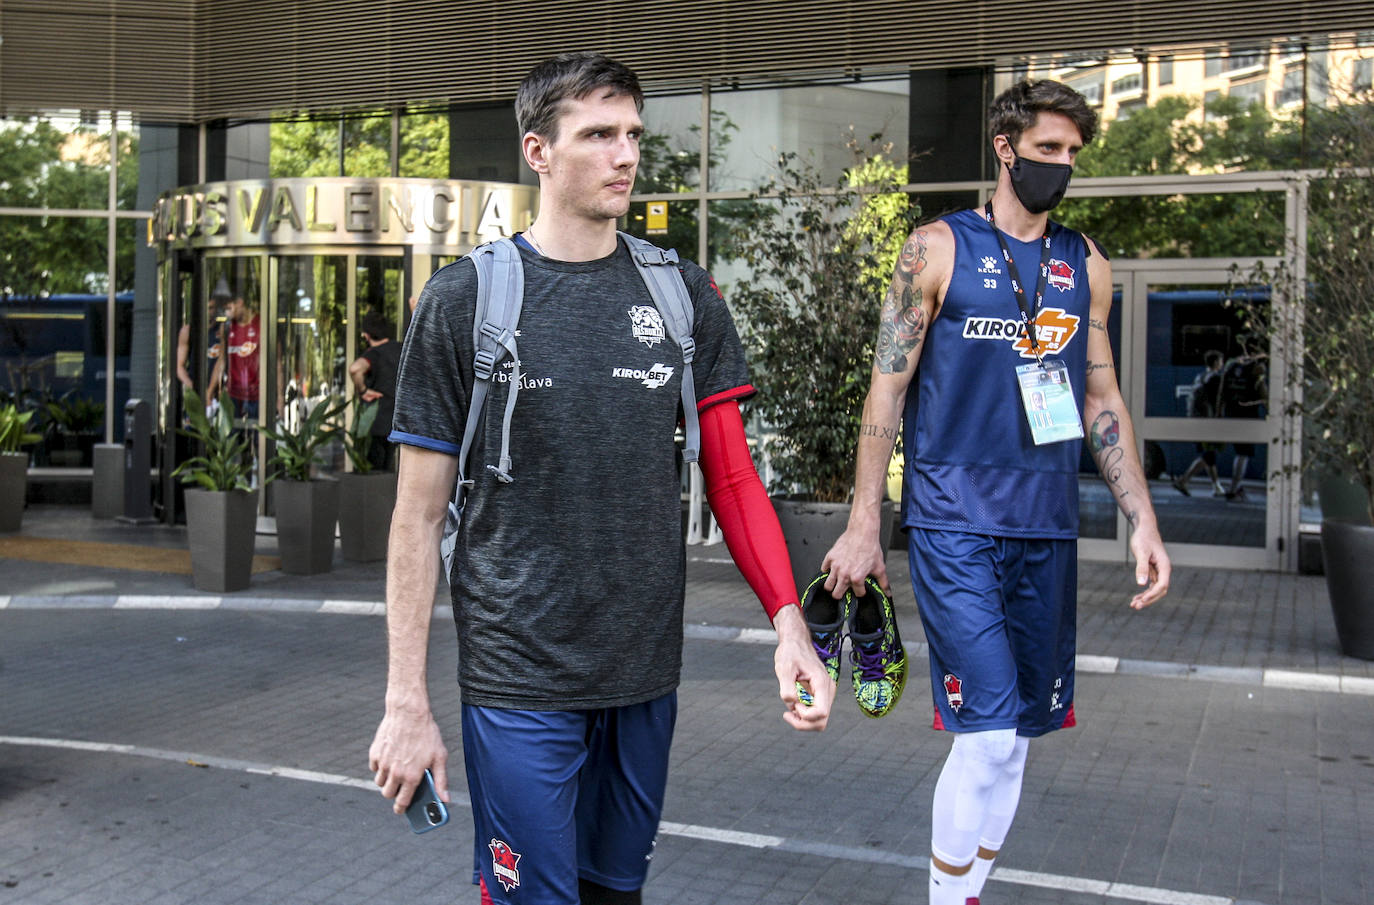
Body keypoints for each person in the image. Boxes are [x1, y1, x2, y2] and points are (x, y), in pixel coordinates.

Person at [368, 52, 833, 905]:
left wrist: (790, 624)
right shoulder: (466, 300)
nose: (625, 155)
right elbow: (416, 516)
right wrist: (406, 700)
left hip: (644, 674)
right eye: (598, 135)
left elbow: (731, 479)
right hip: (519, 677)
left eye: (632, 135)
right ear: (538, 151)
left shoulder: (684, 295)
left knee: (615, 894)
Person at [820, 79, 1171, 905]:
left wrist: (1143, 519)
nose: (1063, 166)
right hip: (953, 522)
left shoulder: (1085, 265)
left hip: (1045, 524)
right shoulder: (935, 250)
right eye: (1049, 149)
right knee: (982, 739)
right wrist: (864, 522)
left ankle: (968, 891)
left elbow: (1100, 398)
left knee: (1015, 744)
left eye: (1073, 154)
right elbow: (885, 394)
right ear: (1006, 148)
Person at [347, 311, 401, 471]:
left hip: (373, 426)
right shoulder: (401, 349)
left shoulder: (374, 354)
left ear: (366, 335)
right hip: (396, 425)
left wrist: (363, 391)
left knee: (369, 476)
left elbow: (355, 369)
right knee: (386, 475)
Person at [1171, 349, 1225, 497]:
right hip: (1207, 420)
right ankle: (1183, 480)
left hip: (1196, 419)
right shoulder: (1215, 378)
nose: (1222, 364)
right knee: (1208, 455)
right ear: (1215, 363)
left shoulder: (1200, 377)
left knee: (1208, 454)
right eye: (1221, 361)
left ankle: (1216, 486)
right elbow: (1217, 401)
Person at [1219, 344, 1267, 501]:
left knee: (1241, 451)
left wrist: (1219, 413)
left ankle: (1236, 487)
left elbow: (1222, 391)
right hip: (1248, 415)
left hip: (1232, 413)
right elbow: (1262, 392)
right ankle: (1233, 489)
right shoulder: (1256, 367)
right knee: (1243, 453)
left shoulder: (1231, 365)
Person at [209, 289, 261, 422]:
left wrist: (278, 397)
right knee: (231, 437)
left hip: (257, 395)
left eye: (229, 308)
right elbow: (221, 361)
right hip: (233, 394)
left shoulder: (261, 324)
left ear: (239, 303)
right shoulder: (226, 327)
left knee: (257, 437)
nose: (227, 312)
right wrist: (210, 391)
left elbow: (276, 363)